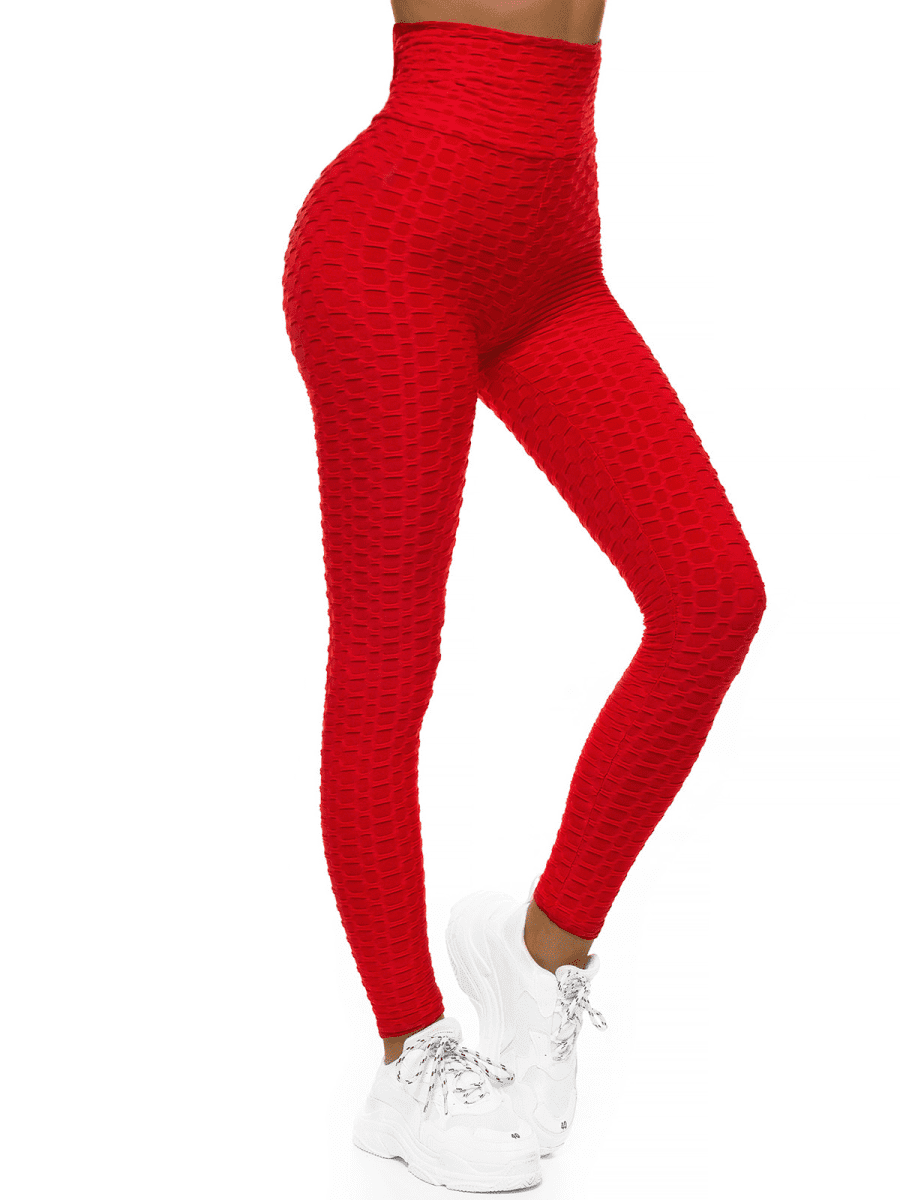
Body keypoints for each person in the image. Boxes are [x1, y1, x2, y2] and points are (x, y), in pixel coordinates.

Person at [281, 2, 767, 1190]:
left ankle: (543, 952)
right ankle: (407, 1058)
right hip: (393, 244)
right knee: (390, 665)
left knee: (713, 599)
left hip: (554, 254)